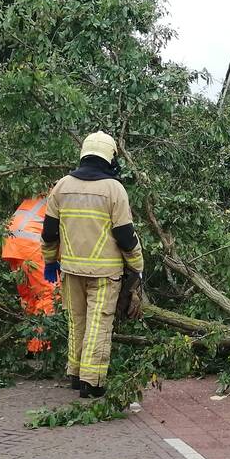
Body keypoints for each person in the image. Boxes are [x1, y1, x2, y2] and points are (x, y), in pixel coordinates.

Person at [41, 131, 144, 398]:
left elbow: (49, 232)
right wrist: (137, 267)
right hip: (105, 272)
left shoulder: (62, 186)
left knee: (77, 322)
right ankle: (92, 382)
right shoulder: (114, 189)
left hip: (71, 270)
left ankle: (75, 375)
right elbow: (125, 236)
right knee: (99, 324)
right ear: (110, 157)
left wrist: (50, 261)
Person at [0, 195, 57, 354]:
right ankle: (42, 351)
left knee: (30, 297)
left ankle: (32, 349)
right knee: (50, 295)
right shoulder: (62, 196)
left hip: (12, 245)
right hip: (31, 244)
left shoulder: (42, 194)